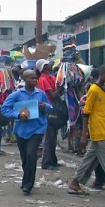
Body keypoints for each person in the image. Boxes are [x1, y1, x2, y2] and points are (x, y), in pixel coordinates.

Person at [1, 69, 52, 195]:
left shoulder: (41, 94)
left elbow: (50, 107)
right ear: (24, 80)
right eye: (31, 78)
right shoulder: (16, 95)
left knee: (31, 155)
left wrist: (44, 107)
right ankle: (27, 177)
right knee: (25, 157)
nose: (34, 80)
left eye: (36, 78)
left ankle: (27, 185)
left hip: (37, 129)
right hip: (21, 131)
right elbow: (5, 109)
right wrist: (17, 115)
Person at [68, 65, 105, 195]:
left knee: (89, 160)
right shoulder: (94, 90)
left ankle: (75, 182)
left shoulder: (102, 90)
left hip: (101, 132)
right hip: (99, 132)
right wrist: (84, 134)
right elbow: (86, 113)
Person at [35, 59, 61, 170]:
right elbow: (53, 95)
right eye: (46, 64)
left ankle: (53, 160)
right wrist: (61, 87)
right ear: (43, 67)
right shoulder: (44, 79)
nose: (49, 65)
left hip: (52, 109)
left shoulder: (50, 77)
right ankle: (46, 163)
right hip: (47, 109)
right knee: (49, 137)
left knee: (53, 137)